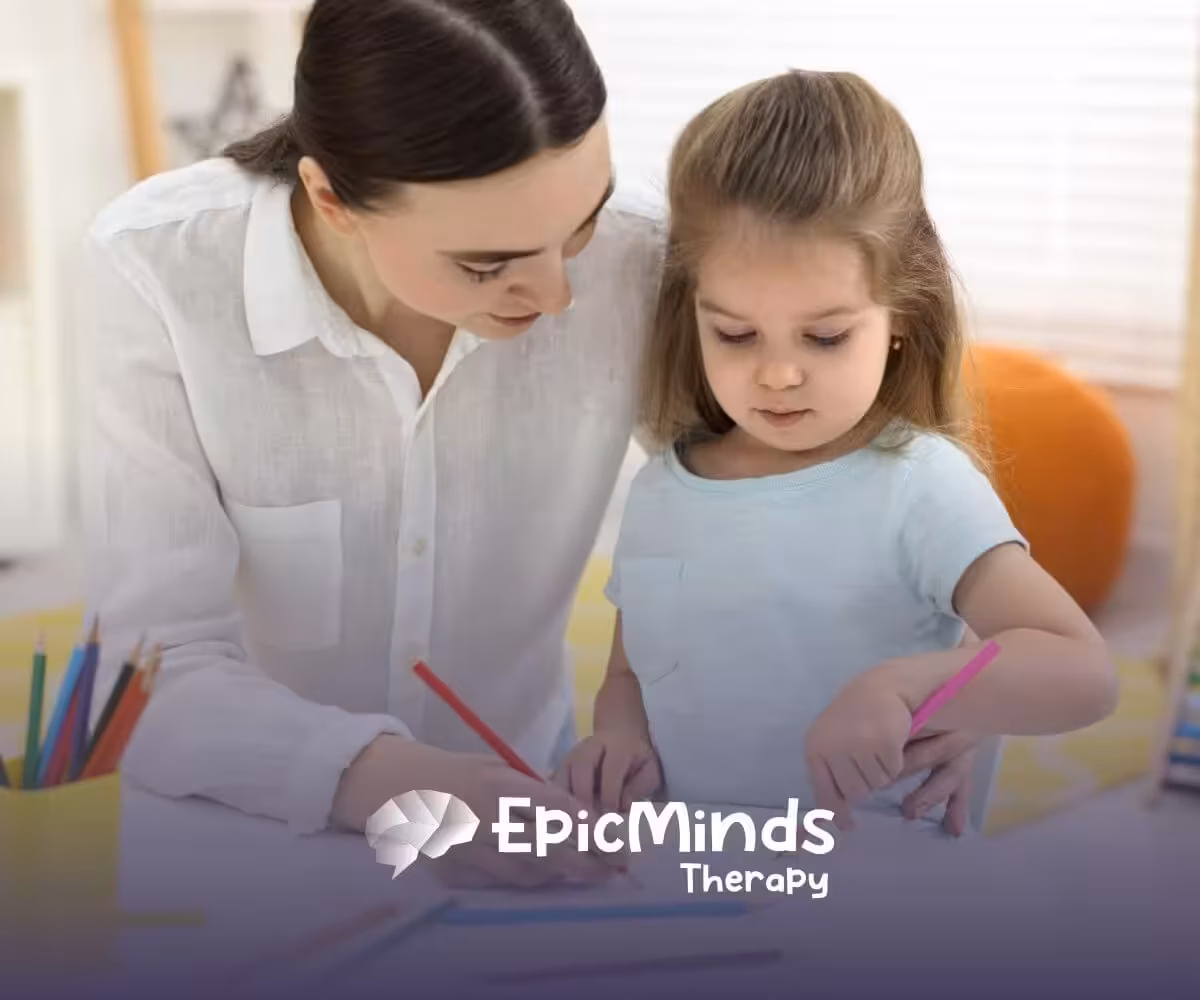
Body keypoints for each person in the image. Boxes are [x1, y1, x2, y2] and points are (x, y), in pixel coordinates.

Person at [75, 0, 979, 889]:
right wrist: (399, 784)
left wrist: (956, 690)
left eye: (579, 224)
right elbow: (148, 676)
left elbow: (827, 499)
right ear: (331, 199)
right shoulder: (159, 269)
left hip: (537, 822)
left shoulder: (635, 255)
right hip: (243, 836)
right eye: (488, 265)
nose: (555, 297)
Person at [554, 70, 1119, 834]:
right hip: (694, 877)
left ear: (900, 316)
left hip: (873, 899)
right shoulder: (661, 489)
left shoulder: (918, 485)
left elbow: (1080, 670)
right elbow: (630, 675)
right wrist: (621, 739)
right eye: (734, 332)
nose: (779, 373)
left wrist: (905, 687)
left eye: (824, 337)